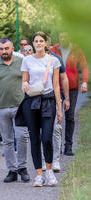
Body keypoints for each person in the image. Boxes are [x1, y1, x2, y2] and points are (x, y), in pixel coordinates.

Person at [0, 38, 30, 183]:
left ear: (12, 48)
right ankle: (12, 170)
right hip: (0, 107)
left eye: (7, 48)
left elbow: (30, 79)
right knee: (7, 140)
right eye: (1, 49)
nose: (4, 51)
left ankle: (22, 167)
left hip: (20, 106)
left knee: (22, 137)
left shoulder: (22, 61)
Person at [21, 31, 62, 187]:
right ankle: (39, 174)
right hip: (31, 102)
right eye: (35, 41)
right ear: (32, 44)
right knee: (35, 139)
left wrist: (59, 107)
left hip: (48, 100)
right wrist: (24, 85)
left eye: (41, 41)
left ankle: (49, 171)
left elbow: (56, 85)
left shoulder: (53, 61)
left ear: (46, 44)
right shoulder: (27, 61)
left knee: (46, 137)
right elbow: (24, 82)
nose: (38, 43)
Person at [51, 32, 89, 156]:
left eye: (66, 37)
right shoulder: (54, 50)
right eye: (61, 37)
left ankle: (68, 146)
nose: (63, 39)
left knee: (70, 116)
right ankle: (57, 146)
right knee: (56, 117)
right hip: (55, 87)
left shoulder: (76, 50)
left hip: (72, 88)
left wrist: (84, 82)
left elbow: (84, 67)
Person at [41, 36, 70, 172]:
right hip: (39, 99)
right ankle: (44, 159)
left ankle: (56, 160)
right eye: (39, 41)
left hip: (55, 98)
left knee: (56, 129)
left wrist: (67, 98)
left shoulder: (56, 59)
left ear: (49, 44)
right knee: (43, 132)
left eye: (44, 41)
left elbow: (64, 78)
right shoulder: (33, 59)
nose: (42, 44)